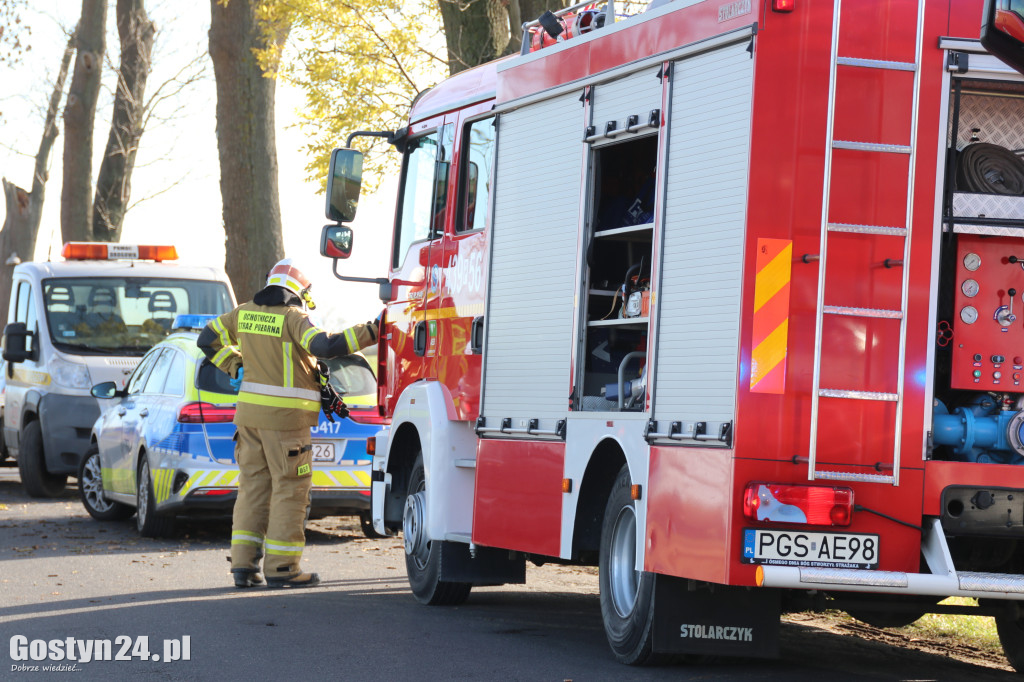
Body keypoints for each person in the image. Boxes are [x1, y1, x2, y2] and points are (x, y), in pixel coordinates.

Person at [197, 258, 378, 588]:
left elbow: (206, 340)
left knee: (252, 490)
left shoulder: (242, 313)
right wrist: (372, 331)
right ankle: (283, 568)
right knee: (290, 491)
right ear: (301, 292)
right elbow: (326, 345)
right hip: (287, 425)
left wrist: (234, 365)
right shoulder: (294, 318)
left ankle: (243, 567)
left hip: (248, 422)